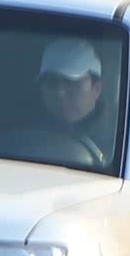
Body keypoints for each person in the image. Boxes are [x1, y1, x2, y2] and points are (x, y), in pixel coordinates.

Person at [30, 36, 114, 169]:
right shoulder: (24, 137)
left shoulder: (118, 143)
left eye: (71, 82)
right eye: (51, 82)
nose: (60, 92)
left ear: (96, 88)